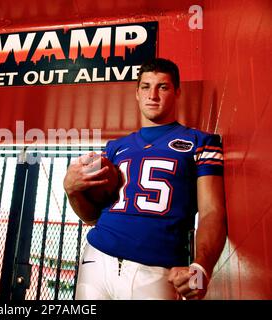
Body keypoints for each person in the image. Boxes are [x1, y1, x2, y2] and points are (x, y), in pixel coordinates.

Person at [63, 58, 227, 300]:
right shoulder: (114, 148)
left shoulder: (201, 142)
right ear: (137, 93)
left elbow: (211, 210)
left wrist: (201, 268)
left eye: (163, 87)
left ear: (177, 92)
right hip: (96, 257)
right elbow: (92, 217)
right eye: (145, 86)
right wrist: (71, 190)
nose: (153, 95)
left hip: (158, 268)